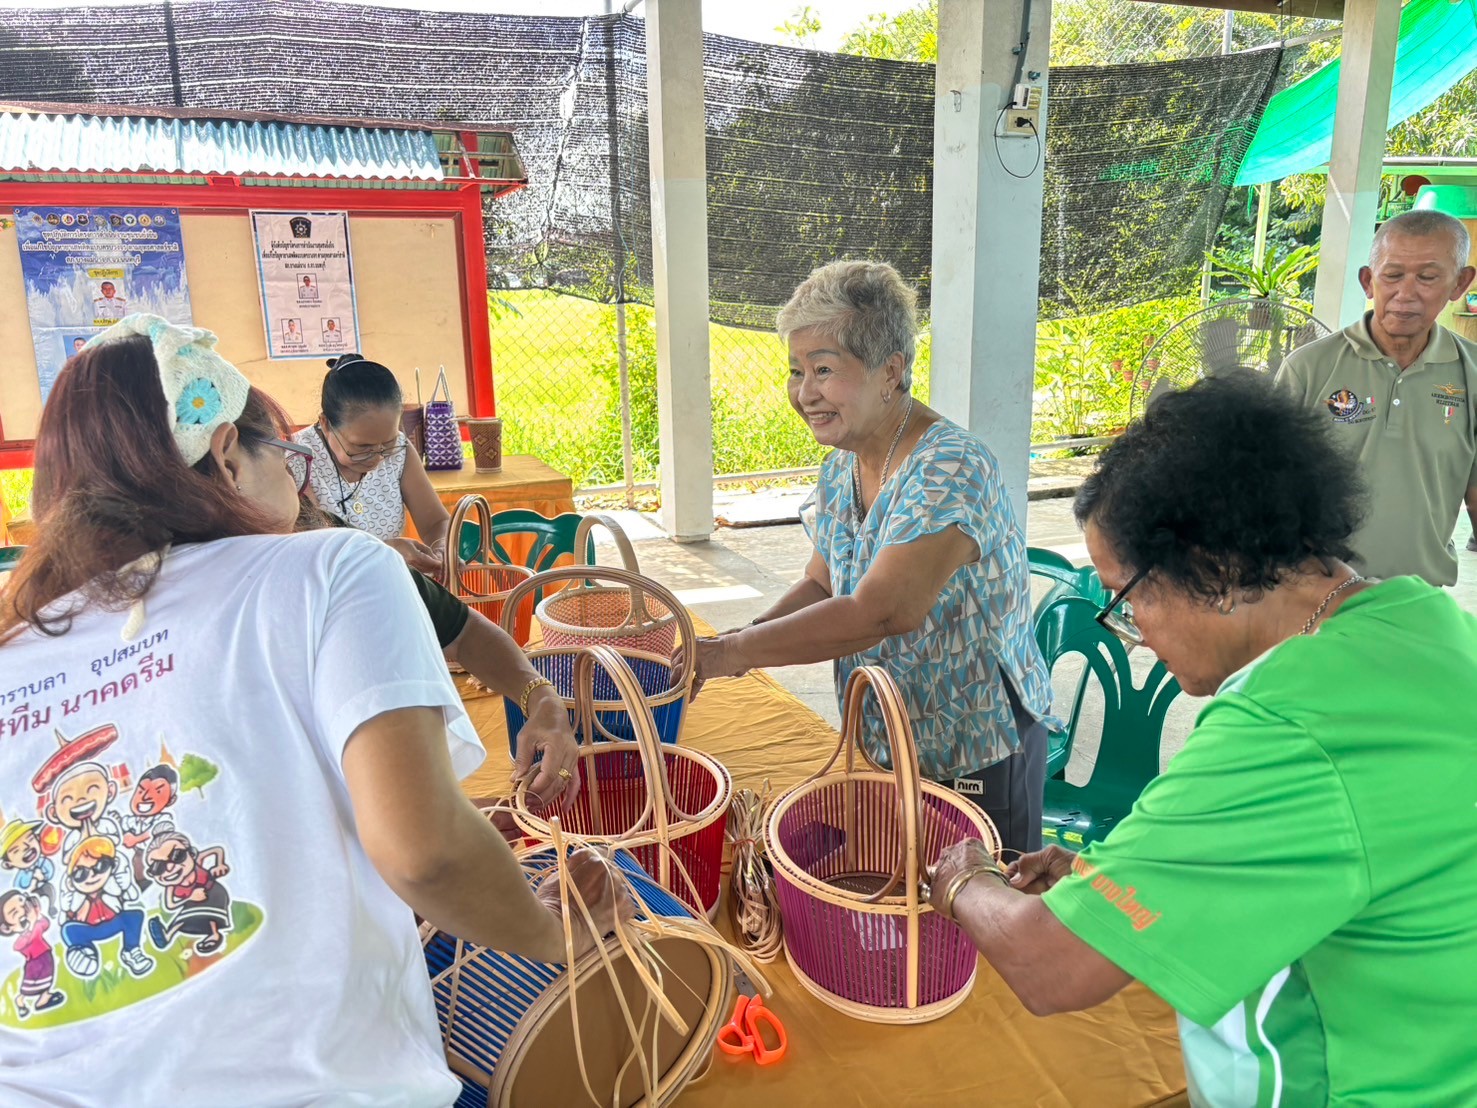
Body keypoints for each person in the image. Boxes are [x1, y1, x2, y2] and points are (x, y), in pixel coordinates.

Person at [0, 315, 625, 1101]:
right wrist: (552, 935)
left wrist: (534, 697)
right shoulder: (330, 565)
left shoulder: (17, 639)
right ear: (228, 452)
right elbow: (426, 854)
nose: (298, 485)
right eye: (288, 458)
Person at [927, 372, 1477, 1106]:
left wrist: (963, 879)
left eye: (1123, 600)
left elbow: (1046, 965)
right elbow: (1339, 850)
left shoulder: (1286, 725)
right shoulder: (1429, 625)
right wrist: (1119, 876)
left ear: (1212, 571)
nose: (1134, 637)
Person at [691, 260, 1055, 855]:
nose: (805, 393)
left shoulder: (950, 467)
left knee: (984, 898)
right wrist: (737, 642)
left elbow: (882, 611)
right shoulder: (843, 465)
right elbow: (821, 583)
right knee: (896, 885)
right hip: (888, 733)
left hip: (974, 743)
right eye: (796, 371)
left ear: (891, 370)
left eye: (824, 370)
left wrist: (729, 654)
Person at [1276, 209, 1477, 586]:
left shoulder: (1472, 373)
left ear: (1459, 284)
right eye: (1393, 275)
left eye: (1427, 277)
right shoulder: (1309, 368)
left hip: (1418, 594)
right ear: (1369, 281)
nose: (1406, 294)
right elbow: (1267, 485)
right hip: (1316, 594)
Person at [291, 353, 452, 577]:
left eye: (388, 443)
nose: (377, 457)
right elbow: (311, 551)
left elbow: (436, 522)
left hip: (390, 582)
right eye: (362, 447)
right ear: (325, 424)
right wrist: (385, 551)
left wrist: (443, 548)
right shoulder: (296, 460)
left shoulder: (400, 451)